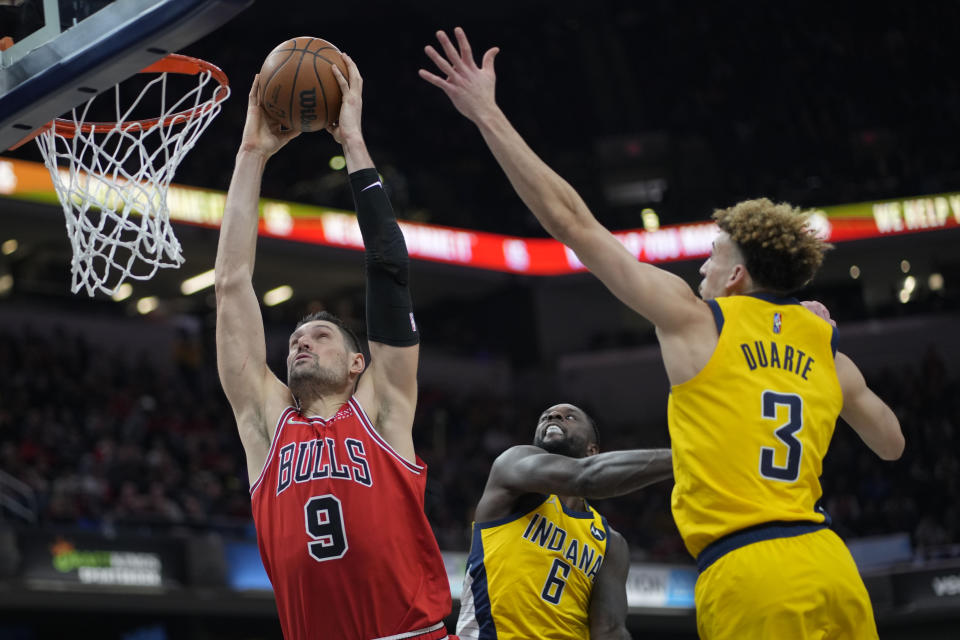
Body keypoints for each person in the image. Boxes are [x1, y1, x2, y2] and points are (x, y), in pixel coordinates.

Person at [420, 28, 904, 639]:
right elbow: (890, 443)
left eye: (710, 258)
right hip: (831, 562)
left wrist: (486, 113)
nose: (698, 268)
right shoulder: (825, 347)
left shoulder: (696, 319)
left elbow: (573, 222)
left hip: (750, 571)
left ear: (735, 274)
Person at [216, 55, 450, 640]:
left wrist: (353, 141)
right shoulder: (266, 424)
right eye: (295, 337)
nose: (300, 340)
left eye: (321, 335)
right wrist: (251, 155)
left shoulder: (382, 409)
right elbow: (230, 285)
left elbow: (389, 269)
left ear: (357, 364)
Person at [457, 403, 672, 640]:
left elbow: (609, 631)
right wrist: (684, 458)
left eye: (570, 417)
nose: (554, 415)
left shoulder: (611, 543)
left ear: (592, 450)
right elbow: (585, 477)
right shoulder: (512, 468)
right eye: (545, 416)